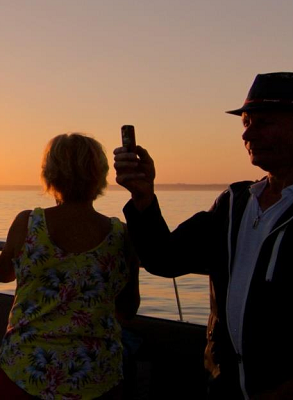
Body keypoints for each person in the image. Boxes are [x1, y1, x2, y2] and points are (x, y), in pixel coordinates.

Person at [113, 72, 293, 399]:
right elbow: (165, 258)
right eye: (246, 122)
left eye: (263, 122)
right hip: (222, 385)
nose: (247, 133)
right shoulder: (235, 203)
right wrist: (143, 199)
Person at [0, 133, 140, 400]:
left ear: (50, 174)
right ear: (100, 175)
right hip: (95, 374)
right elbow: (128, 310)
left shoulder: (27, 223)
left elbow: (2, 274)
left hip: (26, 369)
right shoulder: (122, 235)